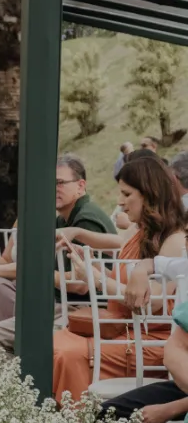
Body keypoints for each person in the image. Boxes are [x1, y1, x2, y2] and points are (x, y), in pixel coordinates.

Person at [52, 155, 187, 402]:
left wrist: (95, 278)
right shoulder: (137, 230)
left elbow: (151, 303)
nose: (119, 202)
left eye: (127, 195)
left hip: (150, 342)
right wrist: (88, 263)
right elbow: (121, 281)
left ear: (150, 194)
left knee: (65, 351)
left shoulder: (175, 240)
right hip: (121, 331)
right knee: (50, 342)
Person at [0, 154, 112, 354]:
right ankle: (11, 356)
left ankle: (16, 363)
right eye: (49, 183)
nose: (53, 189)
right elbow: (31, 263)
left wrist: (28, 273)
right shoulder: (63, 220)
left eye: (60, 183)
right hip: (60, 301)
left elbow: (79, 285)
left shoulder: (86, 219)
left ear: (81, 186)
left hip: (81, 307)